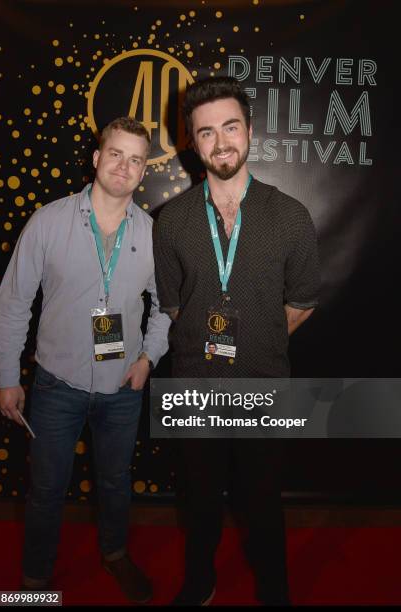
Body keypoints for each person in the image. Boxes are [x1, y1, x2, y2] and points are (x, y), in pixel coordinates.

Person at [154, 77, 320, 605]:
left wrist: (254, 344)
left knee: (263, 501)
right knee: (200, 501)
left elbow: (301, 303)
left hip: (263, 389)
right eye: (207, 132)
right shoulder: (171, 220)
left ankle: (275, 588)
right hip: (193, 389)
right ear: (192, 142)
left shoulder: (290, 215)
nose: (221, 142)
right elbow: (174, 306)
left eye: (230, 127)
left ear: (249, 131)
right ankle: (200, 582)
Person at [0, 116, 171, 602]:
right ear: (96, 158)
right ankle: (34, 583)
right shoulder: (48, 221)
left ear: (142, 172)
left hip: (122, 389)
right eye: (116, 153)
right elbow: (12, 303)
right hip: (56, 385)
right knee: (46, 490)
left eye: (136, 159)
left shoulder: (153, 234)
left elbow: (168, 308)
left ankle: (115, 554)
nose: (124, 166)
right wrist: (8, 378)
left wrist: (148, 358)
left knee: (116, 482)